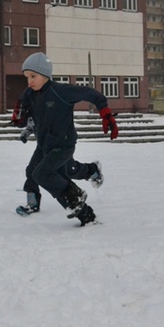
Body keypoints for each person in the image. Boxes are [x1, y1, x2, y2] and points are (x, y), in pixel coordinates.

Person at [11, 52, 118, 225]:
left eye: (33, 76)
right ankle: (34, 202)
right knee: (44, 172)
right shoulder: (30, 94)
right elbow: (25, 116)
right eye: (26, 77)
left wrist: (106, 115)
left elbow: (94, 95)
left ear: (45, 74)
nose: (29, 81)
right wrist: (19, 119)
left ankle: (82, 207)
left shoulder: (60, 91)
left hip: (63, 145)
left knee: (44, 174)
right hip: (44, 145)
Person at [15, 118, 104, 216]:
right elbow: (33, 121)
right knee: (32, 171)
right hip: (42, 146)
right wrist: (27, 131)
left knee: (69, 170)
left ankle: (92, 170)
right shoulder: (32, 104)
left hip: (59, 145)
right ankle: (32, 203)